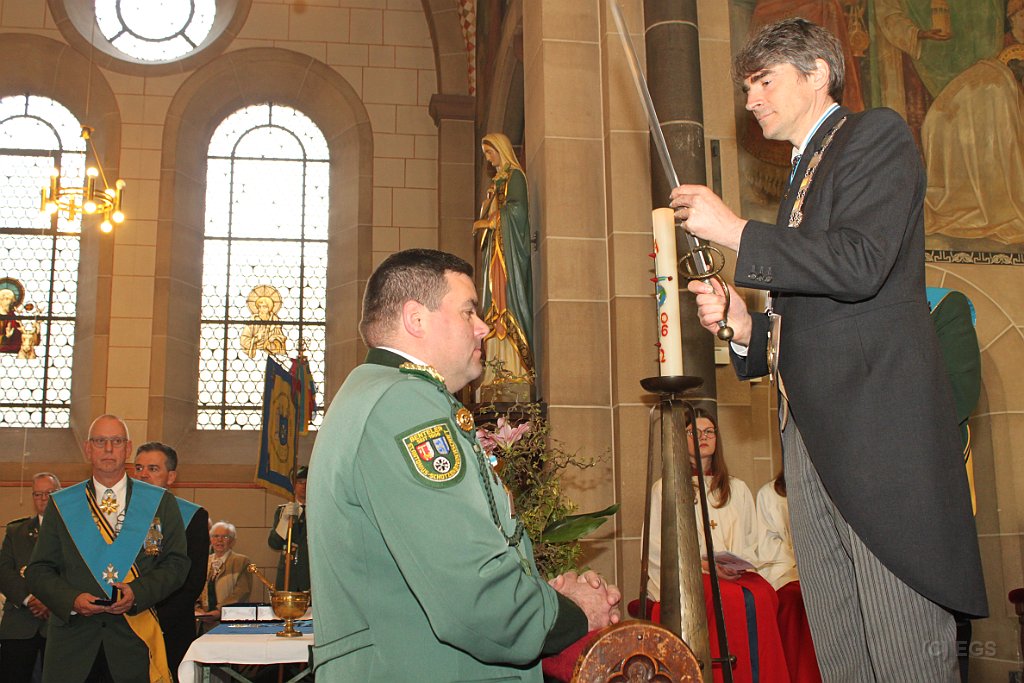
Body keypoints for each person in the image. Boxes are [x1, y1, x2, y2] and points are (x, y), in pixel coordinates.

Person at [672, 17, 986, 680]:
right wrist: (746, 327)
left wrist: (734, 230)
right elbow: (820, 320)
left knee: (902, 653)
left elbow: (862, 262)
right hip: (813, 443)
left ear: (817, 74)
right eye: (746, 86)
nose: (751, 99)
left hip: (876, 443)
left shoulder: (874, 136)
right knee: (844, 656)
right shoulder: (800, 175)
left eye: (764, 81)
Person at [307, 248, 620, 681]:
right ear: (416, 319)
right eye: (468, 311)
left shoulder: (375, 395)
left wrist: (540, 597)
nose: (484, 327)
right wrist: (573, 613)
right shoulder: (403, 404)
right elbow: (472, 594)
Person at [26, 414, 190, 683]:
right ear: (87, 449)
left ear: (128, 448)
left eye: (117, 441)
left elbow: (176, 564)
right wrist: (72, 599)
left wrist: (137, 593)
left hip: (133, 639)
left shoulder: (159, 501)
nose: (109, 449)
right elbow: (39, 570)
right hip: (72, 643)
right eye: (100, 441)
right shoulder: (62, 504)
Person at [648, 410, 788, 683]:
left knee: (764, 593)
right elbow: (658, 547)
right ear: (681, 439)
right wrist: (703, 566)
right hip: (691, 574)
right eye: (693, 432)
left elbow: (751, 541)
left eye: (709, 431)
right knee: (729, 598)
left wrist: (736, 565)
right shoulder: (665, 488)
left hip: (733, 573)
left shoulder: (737, 488)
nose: (703, 437)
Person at [133, 442, 209, 681]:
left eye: (153, 469)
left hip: (170, 624)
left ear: (171, 476)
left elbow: (193, 580)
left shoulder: (192, 515)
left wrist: (154, 617)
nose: (143, 474)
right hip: (124, 621)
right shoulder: (117, 515)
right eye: (138, 468)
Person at [472, 133, 534, 396]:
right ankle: (496, 371)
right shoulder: (496, 181)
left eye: (490, 152)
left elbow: (517, 210)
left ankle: (515, 370)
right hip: (495, 254)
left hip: (508, 253)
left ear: (501, 149)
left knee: (505, 300)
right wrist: (487, 205)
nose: (488, 158)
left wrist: (490, 221)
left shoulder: (514, 177)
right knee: (493, 305)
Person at [756, 473, 822, 683]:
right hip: (785, 570)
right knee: (796, 599)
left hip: (819, 569)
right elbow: (768, 545)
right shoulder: (769, 493)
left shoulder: (823, 489)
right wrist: (799, 560)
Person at [0, 472, 59, 682]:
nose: (43, 499)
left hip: (58, 623)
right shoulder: (16, 531)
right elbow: (4, 571)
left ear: (59, 494)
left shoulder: (75, 532)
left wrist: (50, 601)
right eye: (37, 494)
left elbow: (76, 572)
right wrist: (30, 600)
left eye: (49, 493)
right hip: (19, 623)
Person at [195, 522, 252, 632]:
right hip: (203, 623)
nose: (219, 540)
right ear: (210, 539)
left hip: (230, 622)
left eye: (225, 537)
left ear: (233, 541)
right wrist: (198, 609)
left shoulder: (241, 562)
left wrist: (220, 611)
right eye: (215, 536)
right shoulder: (204, 561)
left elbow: (242, 592)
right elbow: (195, 588)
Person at [267, 466, 309, 592]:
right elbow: (274, 543)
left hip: (310, 575)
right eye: (300, 482)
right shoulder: (282, 511)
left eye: (307, 482)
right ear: (294, 485)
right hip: (288, 575)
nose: (304, 486)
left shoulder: (320, 511)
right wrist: (284, 520)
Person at [239, 286, 288, 359]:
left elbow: (281, 340)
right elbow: (244, 339)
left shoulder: (274, 321)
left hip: (272, 355)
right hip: (256, 355)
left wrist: (273, 339)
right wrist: (255, 340)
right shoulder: (253, 321)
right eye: (259, 307)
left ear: (269, 308)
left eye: (264, 307)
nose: (261, 309)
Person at [0, 287, 22, 354]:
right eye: (8, 299)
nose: (10, 303)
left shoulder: (12, 315)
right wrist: (5, 337)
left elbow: (19, 334)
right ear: (1, 299)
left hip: (12, 350)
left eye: (11, 301)